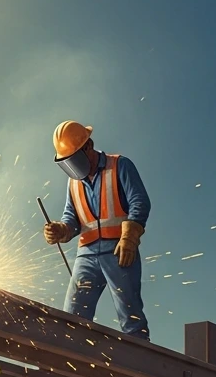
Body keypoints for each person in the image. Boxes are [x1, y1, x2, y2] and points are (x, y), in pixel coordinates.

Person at [42, 121, 151, 339]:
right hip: (87, 254)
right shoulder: (73, 183)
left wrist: (130, 236)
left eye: (75, 159)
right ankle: (73, 354)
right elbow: (71, 217)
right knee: (73, 315)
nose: (73, 166)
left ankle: (139, 355)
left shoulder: (119, 165)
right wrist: (61, 229)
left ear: (88, 146)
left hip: (119, 249)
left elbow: (139, 201)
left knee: (130, 314)